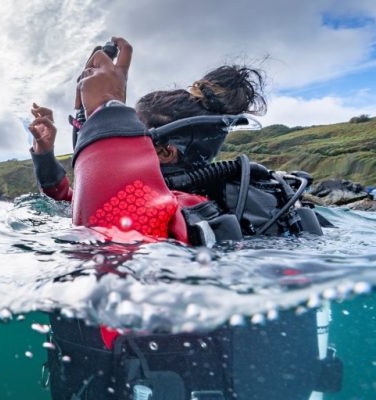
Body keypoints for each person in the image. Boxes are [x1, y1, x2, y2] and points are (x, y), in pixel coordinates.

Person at [28, 39, 341, 399]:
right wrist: (48, 151)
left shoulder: (170, 208)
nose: (134, 144)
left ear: (164, 151)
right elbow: (74, 195)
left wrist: (106, 110)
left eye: (140, 139)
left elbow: (103, 217)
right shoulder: (221, 202)